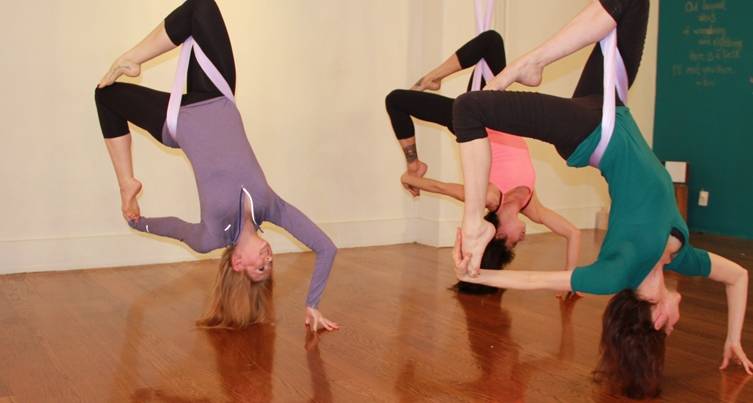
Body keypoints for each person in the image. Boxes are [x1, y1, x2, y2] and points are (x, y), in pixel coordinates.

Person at [449, 0, 751, 398]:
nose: (677, 323)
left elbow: (534, 281)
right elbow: (739, 276)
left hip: (592, 134)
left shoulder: (616, 272)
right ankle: (531, 64)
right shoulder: (683, 256)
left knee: (468, 109)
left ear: (659, 318)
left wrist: (475, 274)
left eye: (671, 328)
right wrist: (733, 339)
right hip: (613, 107)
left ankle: (474, 219)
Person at [94, 0, 338, 331]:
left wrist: (136, 219)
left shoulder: (210, 237)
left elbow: (175, 228)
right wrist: (312, 304)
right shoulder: (272, 209)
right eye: (270, 266)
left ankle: (126, 181)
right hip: (218, 92)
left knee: (105, 96)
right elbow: (326, 248)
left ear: (238, 263)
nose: (269, 260)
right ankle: (132, 58)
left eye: (260, 268)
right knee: (202, 6)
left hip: (177, 123)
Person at [385, 31, 580, 293]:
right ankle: (432, 78)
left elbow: (443, 188)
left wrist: (411, 177)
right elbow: (573, 234)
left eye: (512, 243)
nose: (521, 239)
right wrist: (570, 284)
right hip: (499, 111)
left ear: (498, 235)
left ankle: (415, 155)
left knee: (396, 100)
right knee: (490, 44)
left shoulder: (489, 198)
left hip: (470, 124)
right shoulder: (530, 204)